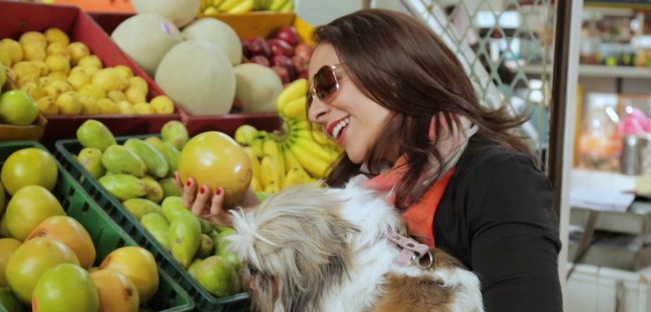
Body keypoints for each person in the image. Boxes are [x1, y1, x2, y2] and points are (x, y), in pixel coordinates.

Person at [176, 9, 562, 312]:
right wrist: (252, 219)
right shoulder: (357, 183)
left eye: (326, 85)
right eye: (310, 97)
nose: (314, 112)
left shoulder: (499, 180)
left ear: (391, 71)